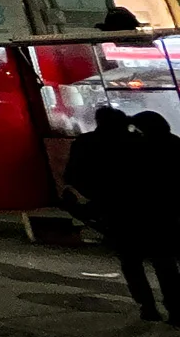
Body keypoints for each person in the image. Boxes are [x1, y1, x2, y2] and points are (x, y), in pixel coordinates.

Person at [67, 107, 180, 322]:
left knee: (131, 262)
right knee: (164, 261)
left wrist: (95, 200)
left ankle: (147, 306)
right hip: (154, 211)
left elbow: (74, 176)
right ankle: (175, 307)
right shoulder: (139, 143)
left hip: (116, 212)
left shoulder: (85, 144)